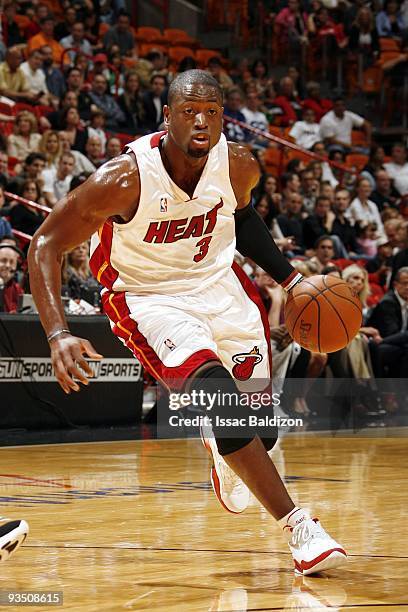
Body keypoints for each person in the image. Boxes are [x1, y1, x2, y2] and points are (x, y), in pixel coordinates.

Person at [28, 69, 347, 576]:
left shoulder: (239, 165)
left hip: (222, 290)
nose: (201, 121)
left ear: (224, 116)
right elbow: (45, 243)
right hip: (150, 300)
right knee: (223, 404)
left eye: (213, 112)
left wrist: (291, 281)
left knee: (258, 431)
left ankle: (227, 450)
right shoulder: (124, 178)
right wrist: (58, 332)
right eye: (189, 111)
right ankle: (300, 528)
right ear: (167, 116)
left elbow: (240, 219)